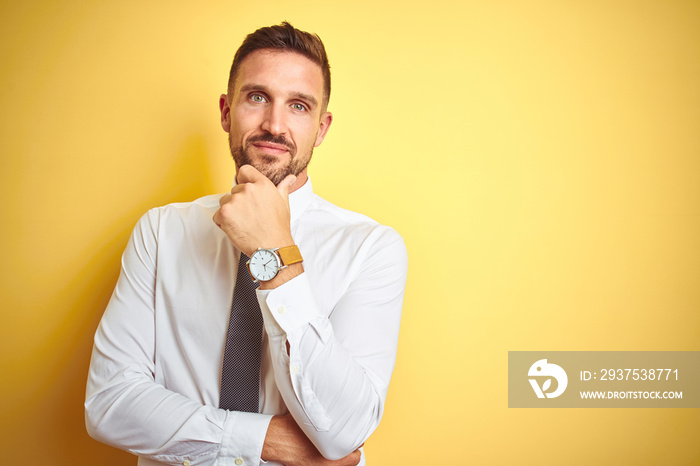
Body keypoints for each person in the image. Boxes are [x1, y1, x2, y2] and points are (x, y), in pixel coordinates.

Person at [85, 22, 407, 466]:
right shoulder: (160, 232)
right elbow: (109, 404)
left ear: (322, 127)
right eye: (257, 97)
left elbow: (345, 430)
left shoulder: (371, 249)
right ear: (225, 111)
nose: (275, 125)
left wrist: (275, 251)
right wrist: (264, 441)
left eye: (298, 105)